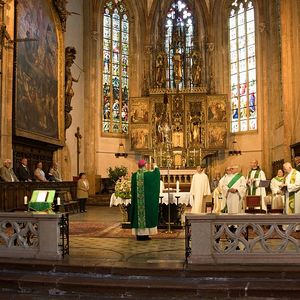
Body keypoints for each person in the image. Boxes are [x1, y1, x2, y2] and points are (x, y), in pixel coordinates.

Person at [130, 159, 160, 241]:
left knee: (138, 215)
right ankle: (145, 235)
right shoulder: (148, 175)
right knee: (146, 215)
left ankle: (139, 235)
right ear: (145, 165)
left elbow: (132, 189)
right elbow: (156, 175)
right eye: (146, 164)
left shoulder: (134, 175)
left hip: (138, 201)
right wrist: (156, 166)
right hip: (146, 201)